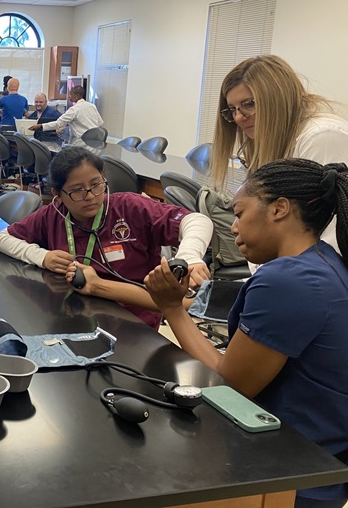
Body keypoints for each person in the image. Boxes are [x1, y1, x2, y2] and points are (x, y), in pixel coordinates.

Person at [145, 158, 348, 508]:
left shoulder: (288, 280)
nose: (234, 227)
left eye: (239, 213)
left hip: (287, 478)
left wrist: (172, 309)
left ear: (279, 209)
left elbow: (232, 386)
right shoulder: (326, 261)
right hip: (319, 464)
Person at [0, 146, 212, 329]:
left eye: (96, 185)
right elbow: (3, 239)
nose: (90, 196)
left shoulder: (129, 206)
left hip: (133, 323)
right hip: (74, 316)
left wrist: (190, 256)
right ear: (57, 194)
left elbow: (197, 221)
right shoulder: (53, 213)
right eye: (77, 191)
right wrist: (43, 257)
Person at [211, 54, 348, 252]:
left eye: (249, 104)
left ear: (275, 98)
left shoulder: (321, 137)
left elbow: (332, 236)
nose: (239, 117)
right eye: (232, 109)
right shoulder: (273, 141)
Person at [31, 85, 103, 143]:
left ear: (77, 95)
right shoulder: (92, 106)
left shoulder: (74, 110)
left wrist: (40, 126)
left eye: (70, 94)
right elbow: (100, 122)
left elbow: (58, 123)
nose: (69, 96)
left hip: (81, 143)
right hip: (96, 143)